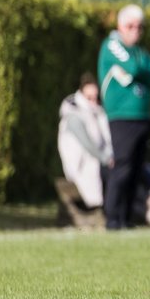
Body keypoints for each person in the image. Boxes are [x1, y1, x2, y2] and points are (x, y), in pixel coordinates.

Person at [98, 4, 150, 230]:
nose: (135, 31)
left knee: (137, 168)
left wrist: (142, 71)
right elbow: (135, 69)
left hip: (143, 116)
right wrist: (141, 72)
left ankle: (126, 218)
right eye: (130, 26)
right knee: (123, 166)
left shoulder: (141, 52)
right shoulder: (112, 45)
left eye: (140, 27)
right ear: (120, 26)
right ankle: (113, 218)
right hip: (122, 117)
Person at [57, 74, 113, 209]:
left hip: (99, 162)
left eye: (95, 98)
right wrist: (107, 159)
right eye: (89, 98)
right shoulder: (73, 115)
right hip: (82, 166)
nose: (93, 102)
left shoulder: (98, 113)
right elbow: (88, 144)